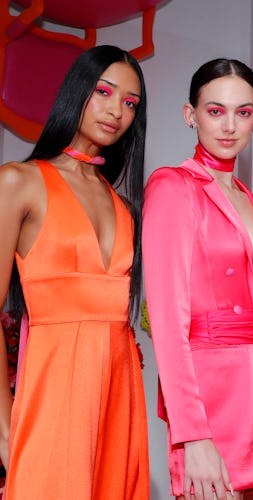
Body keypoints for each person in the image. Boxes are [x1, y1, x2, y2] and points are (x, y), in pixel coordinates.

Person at [0, 45, 149, 499]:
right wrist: (6, 430)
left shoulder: (125, 207)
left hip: (121, 400)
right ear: (77, 91)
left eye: (130, 103)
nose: (116, 111)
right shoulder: (18, 182)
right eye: (104, 91)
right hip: (52, 398)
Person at [142, 58, 253, 499]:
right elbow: (168, 325)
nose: (229, 125)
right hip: (209, 406)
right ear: (190, 115)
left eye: (243, 112)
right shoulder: (172, 187)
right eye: (215, 110)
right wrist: (192, 435)